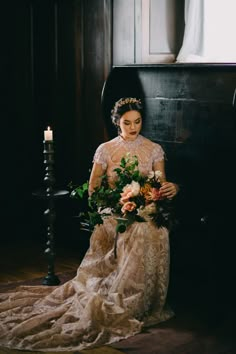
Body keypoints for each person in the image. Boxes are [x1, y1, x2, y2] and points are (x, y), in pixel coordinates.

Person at [0, 97, 179, 352]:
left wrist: (161, 192)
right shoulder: (106, 149)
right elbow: (94, 190)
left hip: (144, 207)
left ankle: (143, 302)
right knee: (131, 228)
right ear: (117, 122)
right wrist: (113, 205)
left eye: (137, 122)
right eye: (127, 122)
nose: (133, 127)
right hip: (113, 210)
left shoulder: (154, 149)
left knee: (152, 227)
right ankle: (124, 297)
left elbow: (159, 184)